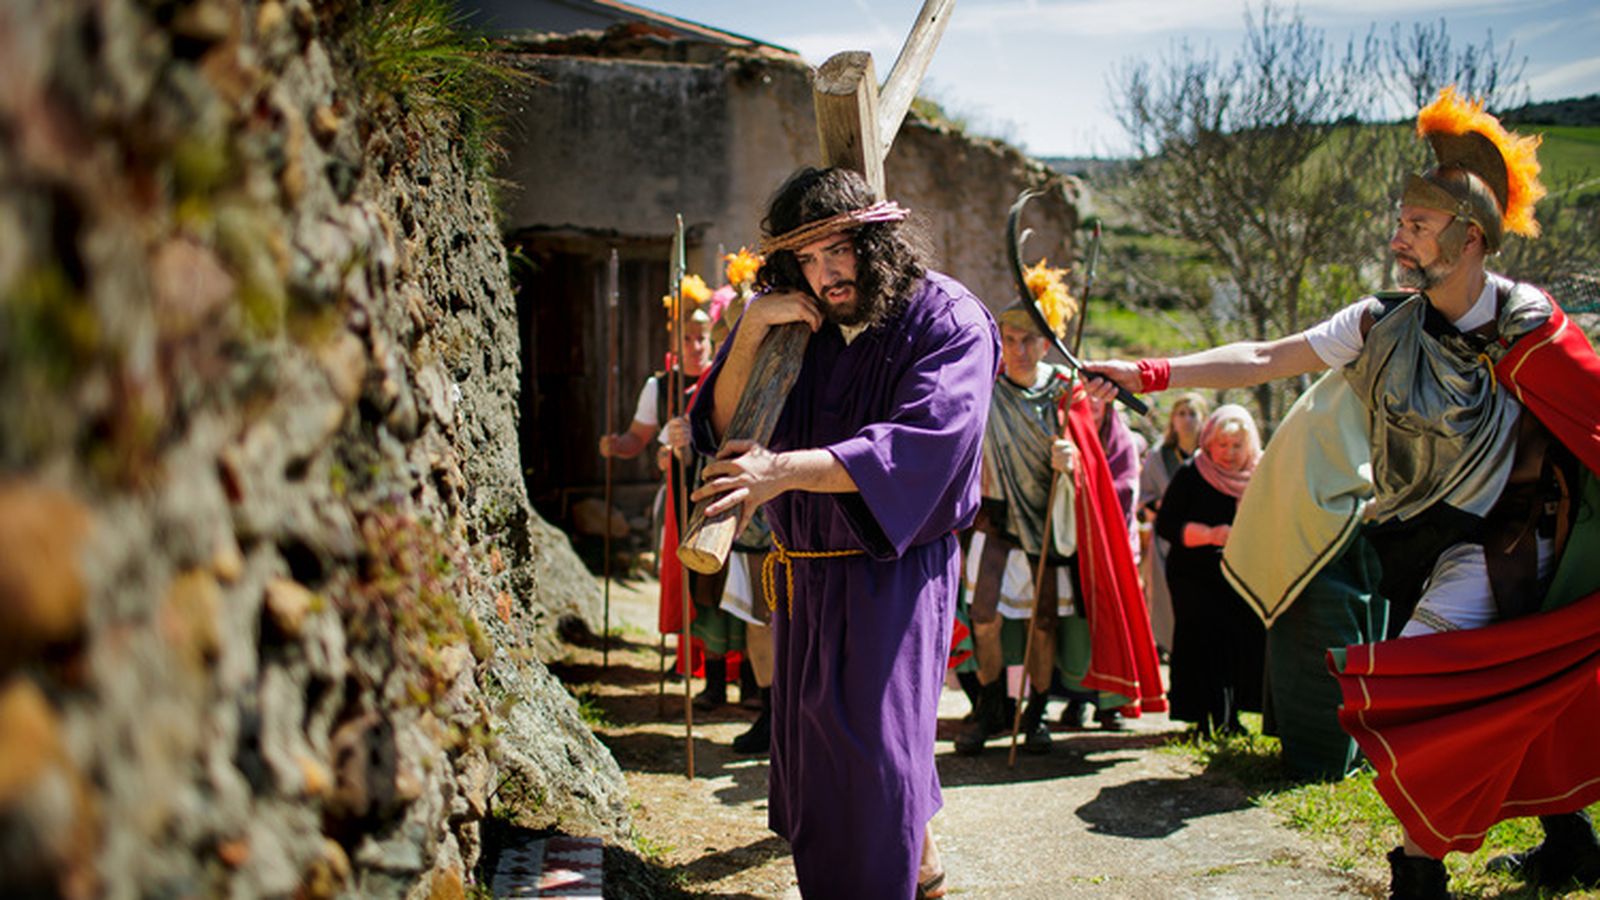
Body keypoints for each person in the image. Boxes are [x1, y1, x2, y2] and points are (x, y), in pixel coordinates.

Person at [1086, 87, 1600, 898]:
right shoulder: (1378, 324)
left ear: (1470, 238)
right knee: (1516, 693)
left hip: (1508, 541)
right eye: (1398, 224)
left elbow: (1591, 412)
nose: (1398, 240)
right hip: (1421, 537)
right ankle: (1570, 840)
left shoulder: (1525, 325)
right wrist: (1147, 370)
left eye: (1417, 227)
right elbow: (1262, 358)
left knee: (1422, 683)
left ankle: (1416, 873)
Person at [687, 166, 998, 899]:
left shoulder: (948, 320)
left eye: (841, 251)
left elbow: (919, 442)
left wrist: (780, 472)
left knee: (873, 757)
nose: (826, 274)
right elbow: (726, 425)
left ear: (878, 241)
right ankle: (918, 867)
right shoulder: (797, 322)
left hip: (892, 572)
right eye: (808, 259)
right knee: (818, 754)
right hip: (802, 572)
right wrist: (751, 331)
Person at [600, 307, 749, 709]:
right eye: (689, 338)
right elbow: (646, 443)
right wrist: (660, 453)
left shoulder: (733, 383)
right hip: (693, 500)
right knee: (705, 588)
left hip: (743, 500)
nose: (697, 347)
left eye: (706, 340)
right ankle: (712, 679)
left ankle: (749, 683)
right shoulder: (664, 387)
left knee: (744, 593)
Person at [955, 302, 1083, 757]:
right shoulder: (985, 391)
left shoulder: (1066, 394)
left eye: (1029, 340)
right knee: (984, 617)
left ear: (1046, 345)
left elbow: (1094, 454)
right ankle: (993, 706)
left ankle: (1037, 713)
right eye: (1009, 340)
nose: (1019, 349)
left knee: (1043, 623)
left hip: (1048, 517)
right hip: (996, 519)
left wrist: (1074, 461)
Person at [1154, 404, 1264, 737]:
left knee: (1237, 642)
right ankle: (1203, 718)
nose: (1229, 454)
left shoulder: (1261, 475)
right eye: (1222, 445)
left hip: (1242, 574)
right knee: (1201, 643)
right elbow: (1166, 525)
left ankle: (1231, 718)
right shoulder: (1192, 472)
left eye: (1237, 446)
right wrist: (1210, 534)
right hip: (1194, 574)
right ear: (1209, 442)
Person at [1138, 393, 1209, 655]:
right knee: (1167, 600)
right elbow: (1145, 498)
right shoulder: (1159, 456)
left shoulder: (1213, 455)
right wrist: (1162, 510)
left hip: (1206, 540)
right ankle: (1169, 649)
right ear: (1173, 420)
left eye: (1193, 414)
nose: (1187, 420)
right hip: (1166, 542)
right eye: (1181, 414)